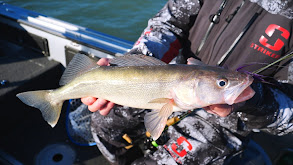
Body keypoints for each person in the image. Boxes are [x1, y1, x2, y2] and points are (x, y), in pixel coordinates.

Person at [81, 0, 293, 164]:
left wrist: (251, 101)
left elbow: (289, 115)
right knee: (102, 123)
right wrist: (134, 66)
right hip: (166, 83)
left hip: (230, 123)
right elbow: (168, 25)